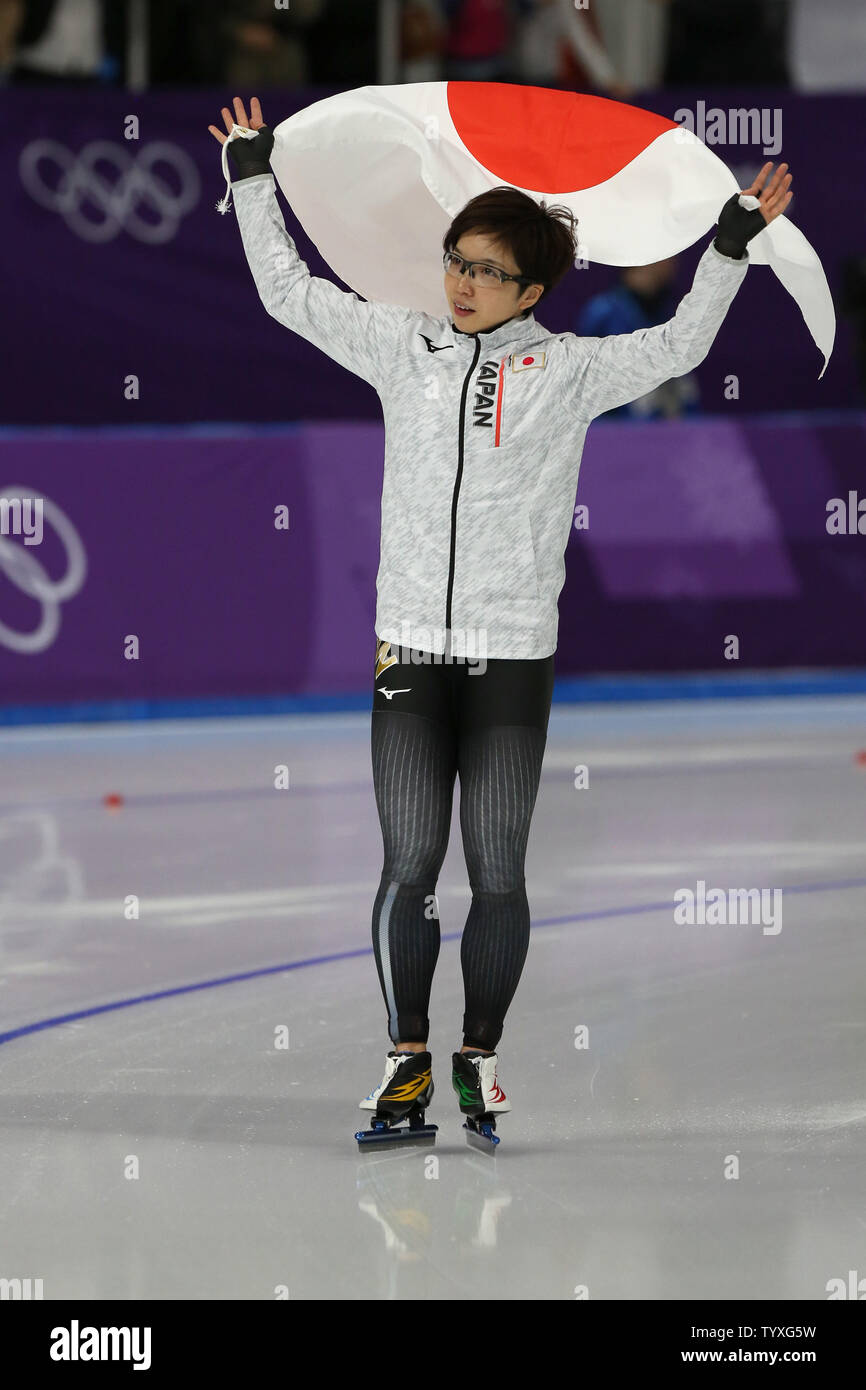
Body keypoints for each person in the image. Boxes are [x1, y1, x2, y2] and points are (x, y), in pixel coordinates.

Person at [208, 96, 792, 1146]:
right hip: (408, 652)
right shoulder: (402, 348)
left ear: (530, 290)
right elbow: (287, 292)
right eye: (453, 262)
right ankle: (402, 1065)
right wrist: (253, 177)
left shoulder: (567, 372)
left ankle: (476, 1058)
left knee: (500, 870)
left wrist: (729, 248)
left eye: (482, 271)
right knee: (407, 864)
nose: (460, 283)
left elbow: (678, 341)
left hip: (512, 653)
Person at [576, 259, 701, 420]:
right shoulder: (604, 313)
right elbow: (588, 389)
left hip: (675, 428)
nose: (674, 263)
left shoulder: (673, 311)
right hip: (618, 433)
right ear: (647, 257)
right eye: (670, 256)